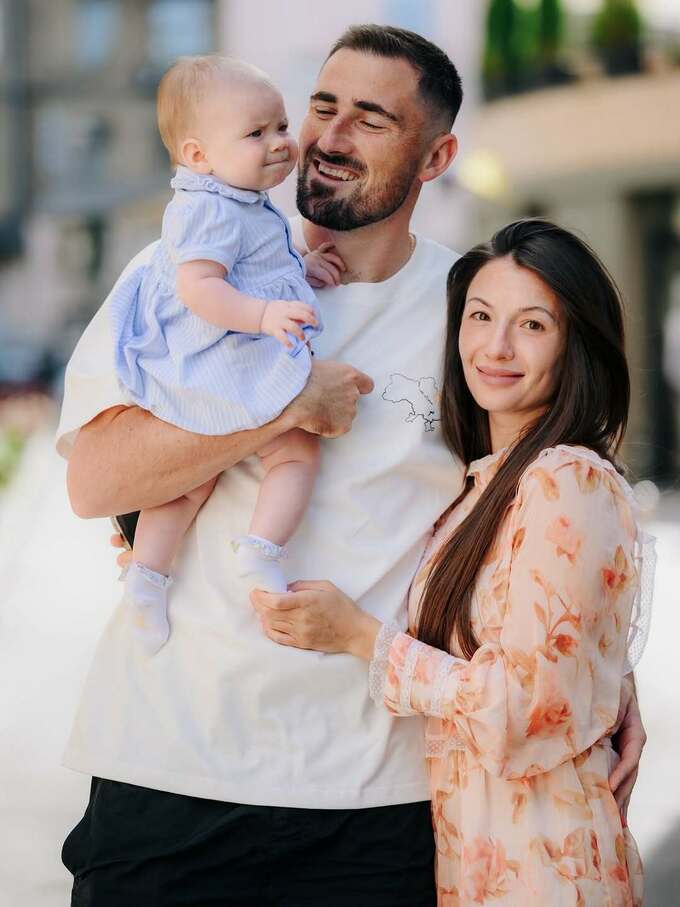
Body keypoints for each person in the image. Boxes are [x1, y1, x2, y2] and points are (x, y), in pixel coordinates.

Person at [59, 26, 645, 905]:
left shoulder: (471, 312)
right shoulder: (183, 271)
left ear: (437, 155)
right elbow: (94, 482)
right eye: (323, 106)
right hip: (170, 767)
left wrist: (599, 671)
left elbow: (541, 511)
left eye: (371, 119)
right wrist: (284, 406)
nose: (329, 137)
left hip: (377, 801)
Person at [251, 219, 652, 905]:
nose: (496, 347)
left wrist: (362, 638)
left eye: (532, 325)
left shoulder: (567, 479)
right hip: (475, 865)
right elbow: (550, 642)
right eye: (481, 316)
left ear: (575, 345)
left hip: (547, 871)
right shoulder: (482, 484)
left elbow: (523, 707)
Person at [107, 54, 347, 654]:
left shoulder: (241, 200)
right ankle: (249, 553)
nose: (279, 143)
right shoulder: (207, 209)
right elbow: (200, 288)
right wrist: (265, 315)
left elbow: (258, 265)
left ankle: (154, 575)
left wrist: (303, 268)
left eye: (281, 126)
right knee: (286, 454)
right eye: (255, 133)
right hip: (219, 354)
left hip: (228, 353)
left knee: (198, 483)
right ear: (198, 155)